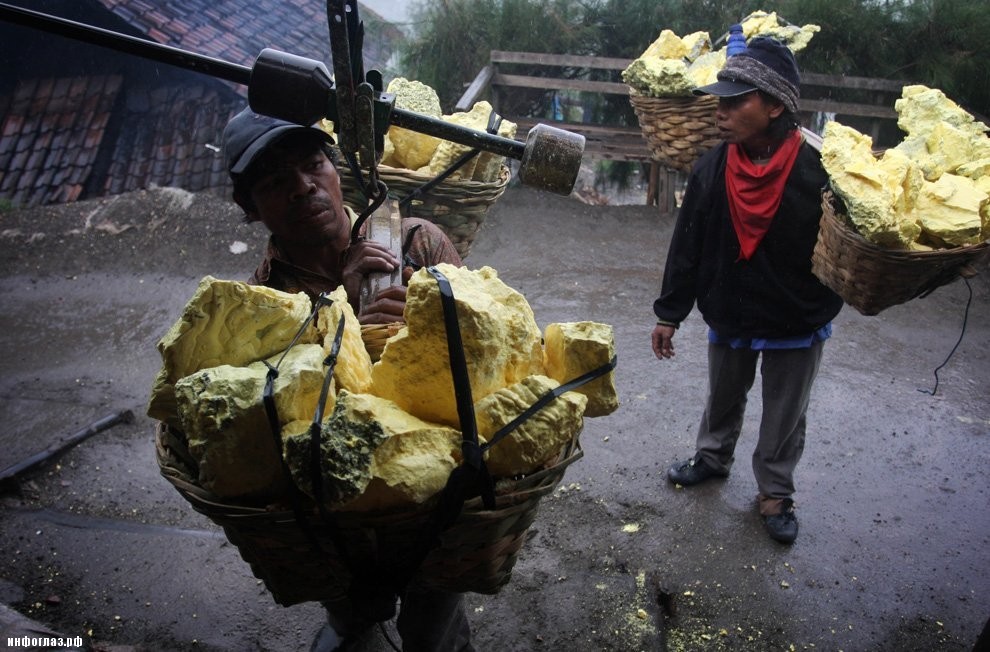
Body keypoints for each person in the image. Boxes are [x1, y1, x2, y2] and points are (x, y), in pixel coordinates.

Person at [221, 107, 473, 651]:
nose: (303, 188)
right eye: (274, 182)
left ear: (336, 171)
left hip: (438, 490)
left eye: (314, 166)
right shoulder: (259, 304)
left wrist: (436, 320)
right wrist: (343, 307)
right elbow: (278, 417)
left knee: (432, 628)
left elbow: (491, 350)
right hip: (331, 505)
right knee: (355, 615)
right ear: (250, 207)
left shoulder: (417, 243)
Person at [650, 38, 842, 545]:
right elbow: (687, 243)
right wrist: (670, 313)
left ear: (775, 105)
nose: (722, 109)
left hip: (795, 314)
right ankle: (712, 459)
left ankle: (775, 493)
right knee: (723, 395)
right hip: (731, 305)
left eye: (737, 101)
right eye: (721, 98)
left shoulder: (821, 171)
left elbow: (847, 247)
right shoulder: (713, 167)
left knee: (785, 411)